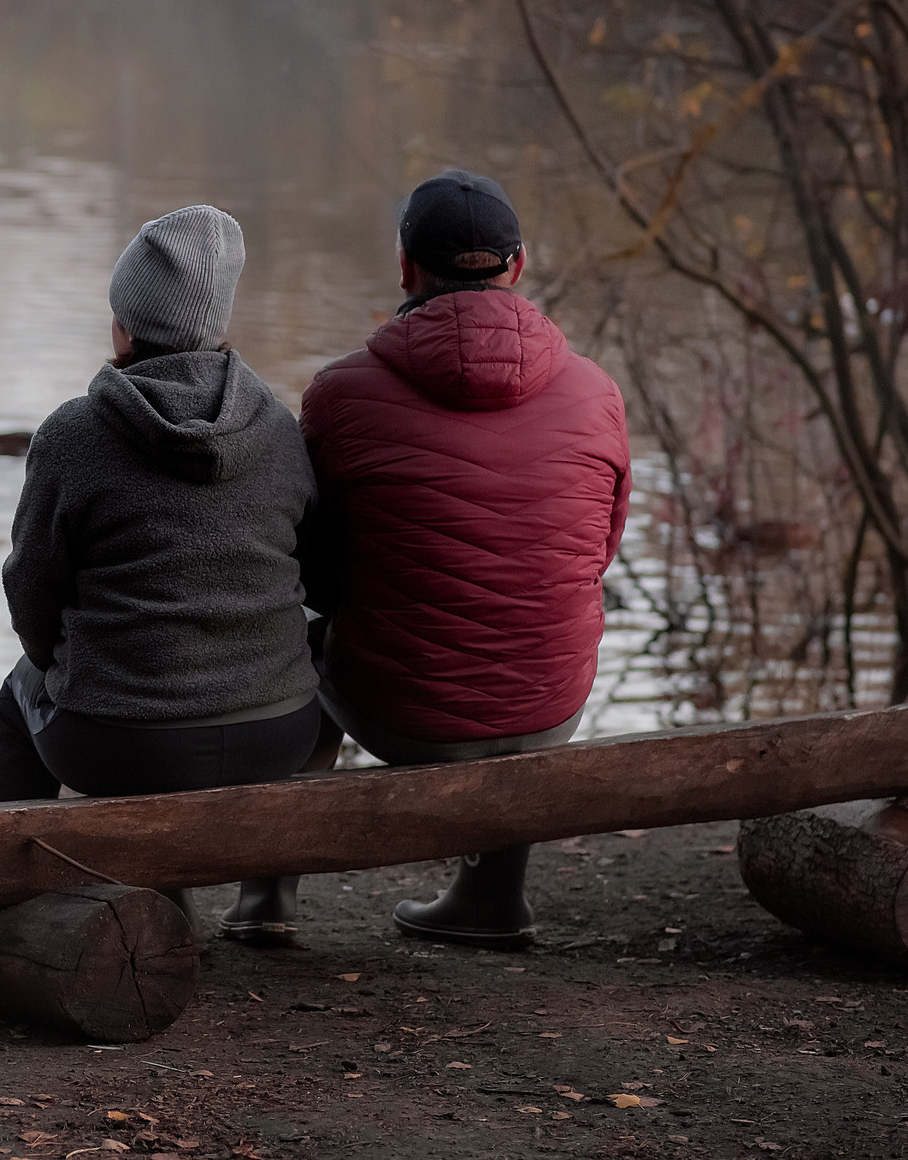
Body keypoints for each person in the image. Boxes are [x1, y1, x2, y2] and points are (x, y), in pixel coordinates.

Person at [230, 169, 629, 949]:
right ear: (518, 266)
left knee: (298, 637)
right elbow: (599, 549)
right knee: (535, 600)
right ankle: (492, 898)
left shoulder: (342, 393)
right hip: (552, 706)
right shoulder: (596, 391)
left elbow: (313, 566)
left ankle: (266, 896)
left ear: (406, 269)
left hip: (402, 714)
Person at [0, 205, 327, 825]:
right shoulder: (277, 428)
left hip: (120, 743)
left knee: (22, 689)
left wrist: (59, 659)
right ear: (219, 324)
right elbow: (310, 562)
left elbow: (30, 588)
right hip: (277, 732)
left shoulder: (72, 434)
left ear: (122, 325)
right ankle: (265, 907)